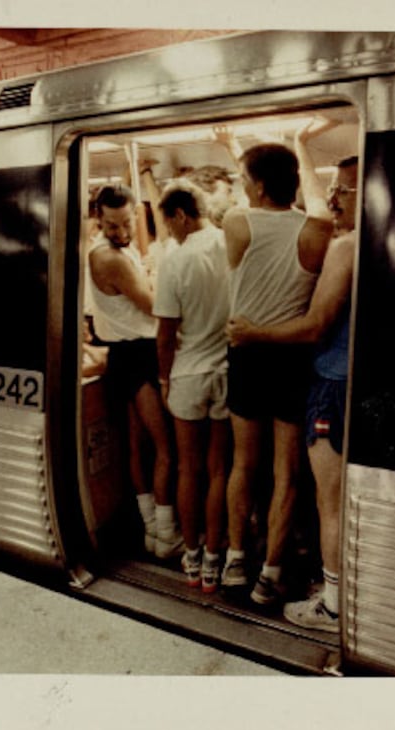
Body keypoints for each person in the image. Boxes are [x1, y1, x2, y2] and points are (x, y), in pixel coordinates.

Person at [226, 155, 359, 630]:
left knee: (244, 463)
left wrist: (252, 330)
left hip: (251, 347)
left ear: (258, 186)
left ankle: (235, 560)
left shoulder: (235, 222)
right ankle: (271, 574)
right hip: (291, 364)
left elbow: (315, 321)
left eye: (244, 180)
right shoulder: (320, 234)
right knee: (288, 475)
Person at [88, 183, 182, 558]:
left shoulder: (114, 251)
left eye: (127, 222)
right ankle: (165, 531)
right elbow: (154, 305)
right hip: (140, 357)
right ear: (99, 219)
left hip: (122, 357)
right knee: (164, 448)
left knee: (137, 446)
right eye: (113, 225)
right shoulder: (109, 258)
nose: (122, 233)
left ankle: (151, 530)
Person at [153, 180, 231, 592]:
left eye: (168, 225)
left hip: (188, 373)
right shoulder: (231, 243)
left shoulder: (176, 260)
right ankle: (215, 559)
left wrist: (164, 379)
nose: (169, 233)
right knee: (220, 470)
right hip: (227, 371)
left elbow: (165, 334)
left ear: (180, 215)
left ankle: (192, 557)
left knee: (188, 468)